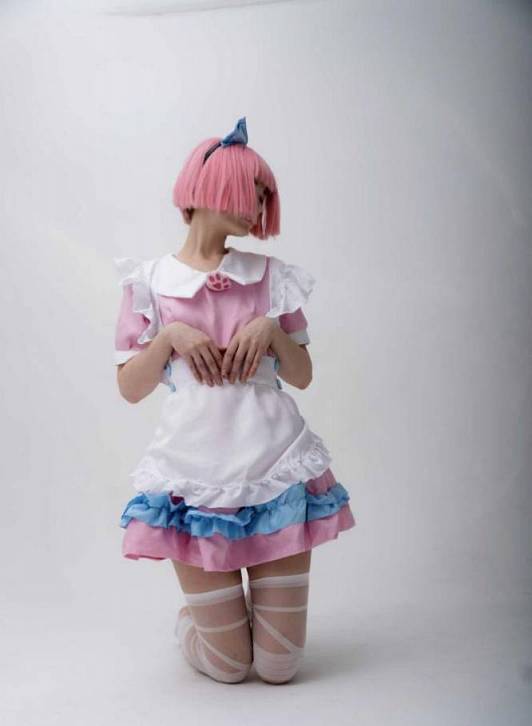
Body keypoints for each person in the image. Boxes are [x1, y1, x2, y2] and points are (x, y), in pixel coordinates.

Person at [113, 117, 356, 685]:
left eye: (267, 195)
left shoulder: (272, 277)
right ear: (212, 187)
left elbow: (302, 375)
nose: (262, 205)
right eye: (256, 190)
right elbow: (130, 388)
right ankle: (195, 623)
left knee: (279, 667)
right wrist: (170, 339)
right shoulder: (148, 282)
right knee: (228, 667)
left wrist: (271, 331)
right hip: (194, 475)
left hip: (276, 468)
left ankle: (250, 618)